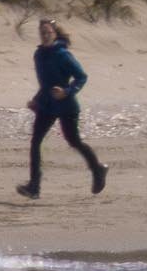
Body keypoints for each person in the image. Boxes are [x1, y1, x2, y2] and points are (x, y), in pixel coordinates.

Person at [16, 19, 108, 201]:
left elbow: (81, 77)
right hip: (47, 106)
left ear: (55, 34)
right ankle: (34, 186)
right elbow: (45, 83)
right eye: (42, 32)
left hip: (66, 106)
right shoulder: (38, 55)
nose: (45, 36)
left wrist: (66, 91)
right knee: (35, 142)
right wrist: (36, 101)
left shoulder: (63, 54)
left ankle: (97, 169)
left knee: (74, 141)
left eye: (48, 32)